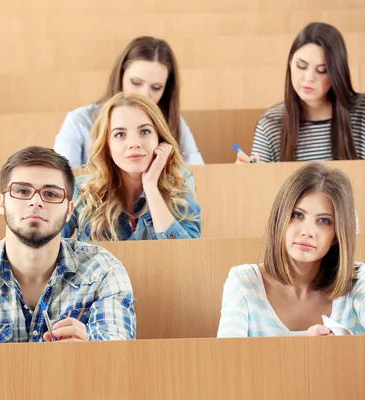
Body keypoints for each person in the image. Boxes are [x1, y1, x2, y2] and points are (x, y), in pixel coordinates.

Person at [0, 146, 136, 344]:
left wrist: (91, 351)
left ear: (69, 210)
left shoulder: (103, 272)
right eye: (22, 191)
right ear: (1, 203)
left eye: (51, 194)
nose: (36, 201)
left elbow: (118, 354)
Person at [217, 163, 365, 337]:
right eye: (298, 215)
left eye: (324, 221)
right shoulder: (243, 283)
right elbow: (228, 362)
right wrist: (302, 352)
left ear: (337, 234)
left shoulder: (358, 280)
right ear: (280, 219)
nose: (307, 232)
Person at [62, 93, 201, 241]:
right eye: (120, 134)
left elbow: (186, 253)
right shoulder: (81, 191)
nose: (134, 143)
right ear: (107, 145)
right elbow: (49, 247)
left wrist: (151, 186)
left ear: (160, 139)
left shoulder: (179, 183)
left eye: (145, 131)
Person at [54, 36, 203, 168]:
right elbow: (62, 181)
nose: (145, 95)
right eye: (136, 83)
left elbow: (196, 173)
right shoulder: (80, 120)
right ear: (120, 77)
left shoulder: (173, 122)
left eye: (156, 87)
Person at [237, 22, 365, 164]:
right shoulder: (271, 123)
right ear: (290, 62)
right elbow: (258, 181)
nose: (309, 78)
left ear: (337, 73)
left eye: (322, 70)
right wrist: (246, 173)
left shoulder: (362, 114)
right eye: (301, 66)